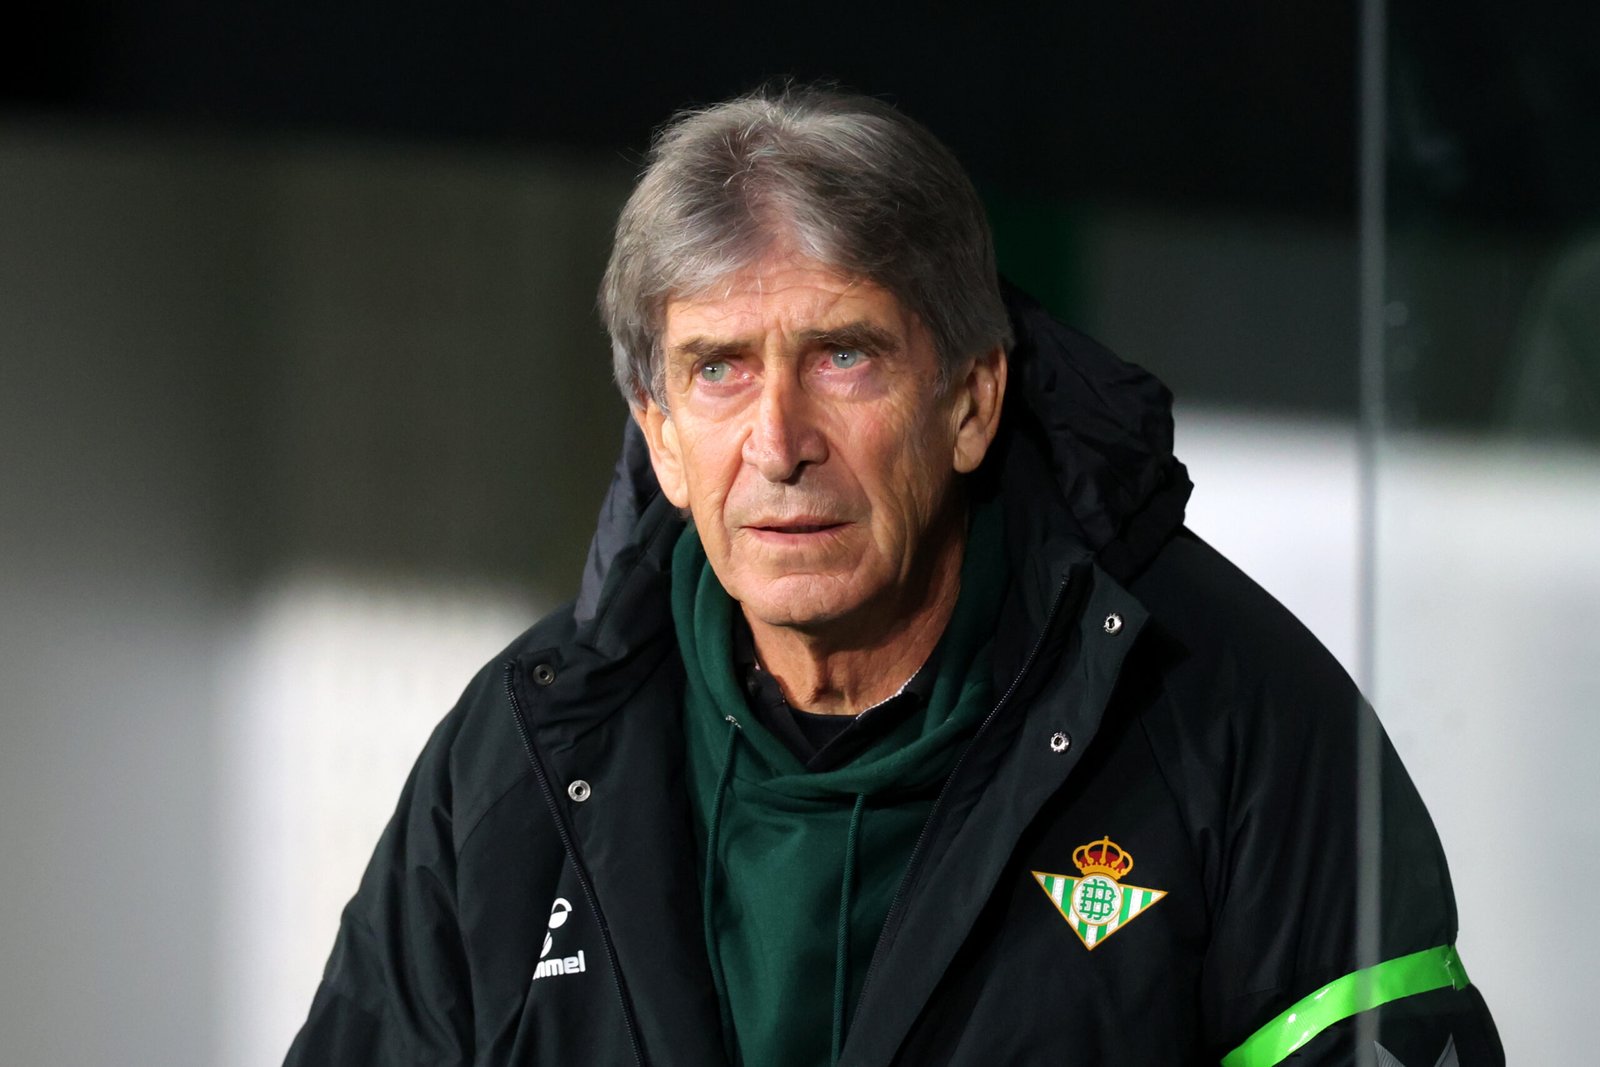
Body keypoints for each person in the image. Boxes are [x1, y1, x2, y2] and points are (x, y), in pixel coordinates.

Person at [285, 85, 1503, 1067]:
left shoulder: (1242, 727)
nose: (778, 440)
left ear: (970, 402)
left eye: (844, 356)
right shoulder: (520, 755)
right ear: (658, 432)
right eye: (717, 370)